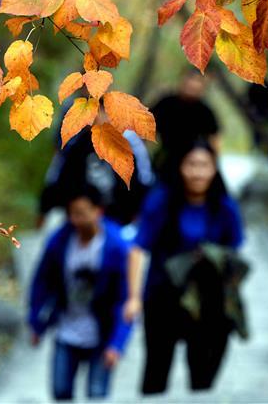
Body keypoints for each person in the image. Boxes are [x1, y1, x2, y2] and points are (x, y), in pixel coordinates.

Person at [123, 139, 246, 394]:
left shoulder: (224, 206)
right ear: (179, 167)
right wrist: (133, 298)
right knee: (156, 372)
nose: (198, 172)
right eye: (191, 164)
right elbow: (138, 248)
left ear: (214, 168)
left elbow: (234, 253)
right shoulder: (162, 202)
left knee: (203, 376)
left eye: (204, 165)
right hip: (163, 297)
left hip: (207, 301)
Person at [28, 184, 133, 401]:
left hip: (101, 334)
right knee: (61, 391)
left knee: (96, 394)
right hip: (67, 329)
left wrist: (117, 343)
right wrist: (36, 322)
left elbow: (126, 299)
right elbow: (42, 281)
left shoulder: (117, 247)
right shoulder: (60, 241)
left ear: (98, 211)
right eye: (72, 214)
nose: (76, 220)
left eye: (82, 214)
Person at [37, 106, 154, 228]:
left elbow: (142, 181)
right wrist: (47, 209)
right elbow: (61, 177)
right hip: (80, 216)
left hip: (117, 218)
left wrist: (133, 214)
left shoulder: (128, 143)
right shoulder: (79, 143)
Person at [150, 70, 220, 172]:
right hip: (166, 157)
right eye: (190, 79)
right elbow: (146, 128)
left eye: (198, 81)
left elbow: (214, 141)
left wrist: (213, 163)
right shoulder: (165, 103)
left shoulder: (205, 111)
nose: (193, 85)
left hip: (194, 160)